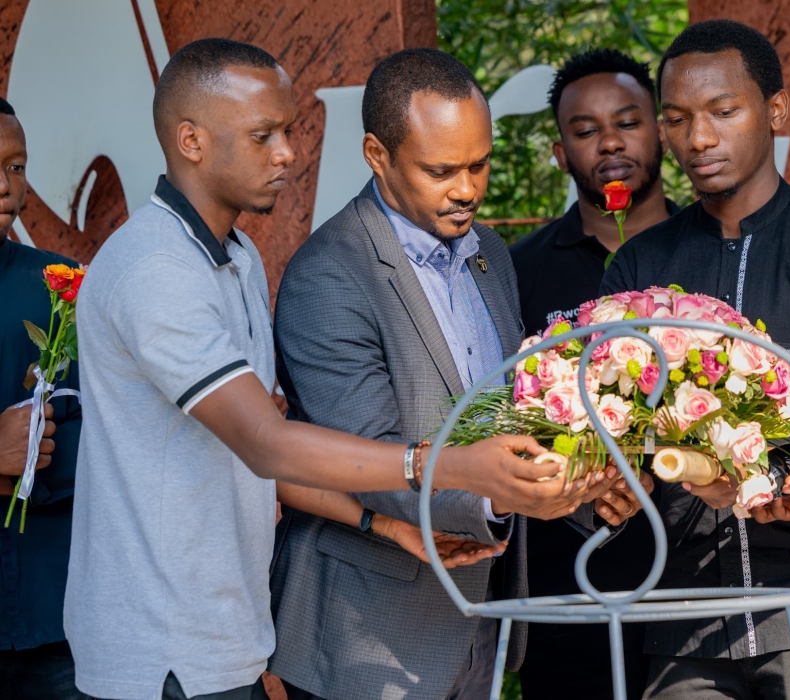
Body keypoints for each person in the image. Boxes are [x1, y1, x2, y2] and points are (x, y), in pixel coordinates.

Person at [64, 39, 574, 700]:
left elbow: (268, 459)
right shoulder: (156, 268)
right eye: (262, 135)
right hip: (160, 648)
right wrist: (446, 464)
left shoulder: (237, 258)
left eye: (288, 130)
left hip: (228, 638)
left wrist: (381, 524)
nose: (288, 154)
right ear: (191, 140)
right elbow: (266, 441)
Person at [266, 48, 638, 700]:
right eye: (441, 170)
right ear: (377, 155)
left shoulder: (489, 252)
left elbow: (513, 410)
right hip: (371, 634)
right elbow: (367, 461)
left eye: (479, 164)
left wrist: (577, 483)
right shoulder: (330, 273)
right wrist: (505, 491)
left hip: (483, 627)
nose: (467, 189)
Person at [601, 20, 790, 700]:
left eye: (723, 111)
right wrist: (608, 483)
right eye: (676, 119)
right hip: (682, 615)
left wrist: (741, 478)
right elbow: (610, 434)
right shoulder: (640, 266)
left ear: (775, 111)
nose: (698, 139)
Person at [509, 48, 673, 700]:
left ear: (661, 129)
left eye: (628, 121)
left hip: (696, 583)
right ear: (559, 152)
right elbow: (498, 407)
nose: (609, 141)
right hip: (566, 588)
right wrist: (580, 481)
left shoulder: (708, 249)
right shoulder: (520, 271)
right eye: (585, 130)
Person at [0, 96, 84, 700]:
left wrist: (34, 469)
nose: (6, 185)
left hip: (52, 616)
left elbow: (100, 433)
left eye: (16, 166)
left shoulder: (62, 286)